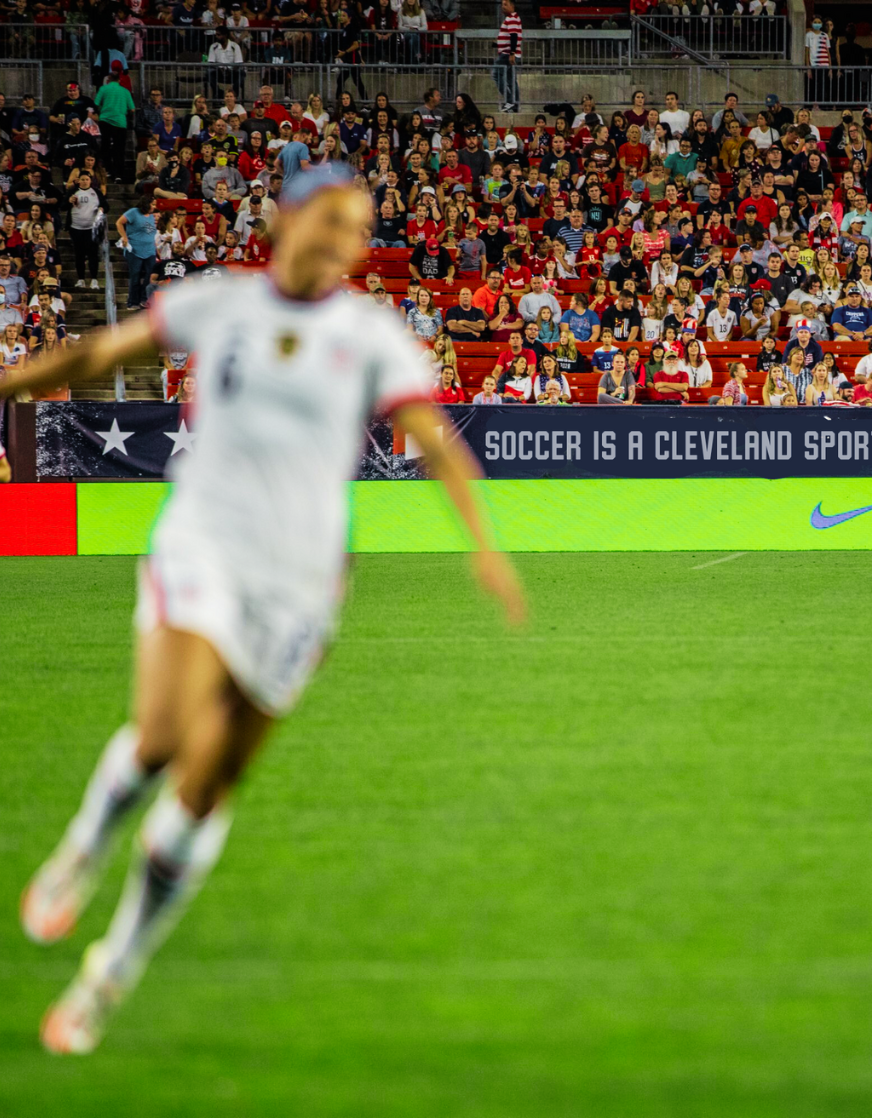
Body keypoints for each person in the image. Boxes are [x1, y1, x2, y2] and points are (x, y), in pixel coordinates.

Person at [11, 164, 525, 1058]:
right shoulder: (221, 304)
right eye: (335, 219)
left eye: (360, 229)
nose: (348, 241)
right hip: (202, 547)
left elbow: (434, 437)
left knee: (207, 788)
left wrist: (482, 541)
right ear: (288, 217)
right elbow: (98, 355)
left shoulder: (371, 334)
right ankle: (83, 848)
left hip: (301, 588)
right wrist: (10, 384)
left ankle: (113, 970)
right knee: (166, 734)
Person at [93, 69, 135, 183]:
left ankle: (107, 170)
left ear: (109, 79)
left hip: (105, 121)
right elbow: (132, 108)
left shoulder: (103, 89)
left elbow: (95, 104)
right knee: (119, 150)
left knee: (105, 147)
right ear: (119, 80)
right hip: (120, 123)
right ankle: (118, 174)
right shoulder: (125, 91)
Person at [115, 195, 157, 311]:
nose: (154, 207)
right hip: (135, 250)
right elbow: (119, 223)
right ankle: (132, 302)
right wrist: (124, 237)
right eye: (152, 204)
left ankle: (144, 299)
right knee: (135, 276)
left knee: (150, 275)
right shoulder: (134, 212)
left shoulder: (152, 216)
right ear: (146, 204)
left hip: (150, 250)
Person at [67, 170, 106, 290]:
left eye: (87, 179)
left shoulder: (96, 192)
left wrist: (101, 209)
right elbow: (63, 206)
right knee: (79, 254)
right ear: (78, 180)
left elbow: (106, 206)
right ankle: (81, 279)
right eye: (82, 179)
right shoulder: (73, 192)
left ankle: (94, 280)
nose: (84, 182)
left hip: (91, 228)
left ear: (90, 181)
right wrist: (69, 201)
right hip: (76, 228)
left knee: (93, 254)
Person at [493, 0, 521, 114]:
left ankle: (510, 101)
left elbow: (514, 36)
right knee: (511, 80)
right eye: (502, 4)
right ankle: (514, 104)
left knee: (496, 75)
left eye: (506, 4)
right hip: (509, 52)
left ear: (512, 5)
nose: (503, 7)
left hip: (507, 54)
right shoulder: (514, 18)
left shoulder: (511, 19)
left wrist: (512, 53)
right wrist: (497, 44)